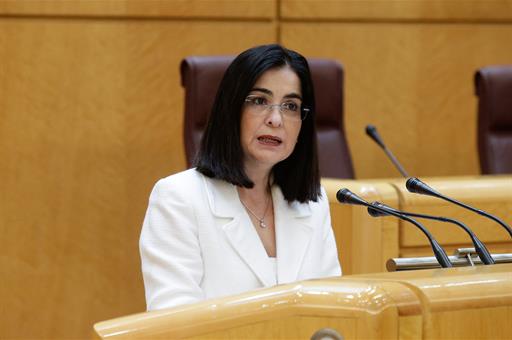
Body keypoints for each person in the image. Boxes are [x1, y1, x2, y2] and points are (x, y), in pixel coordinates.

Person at [139, 44, 341, 311]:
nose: (276, 119)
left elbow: (333, 311)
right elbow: (174, 324)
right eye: (259, 101)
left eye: (291, 106)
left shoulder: (313, 204)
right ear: (230, 109)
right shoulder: (178, 198)